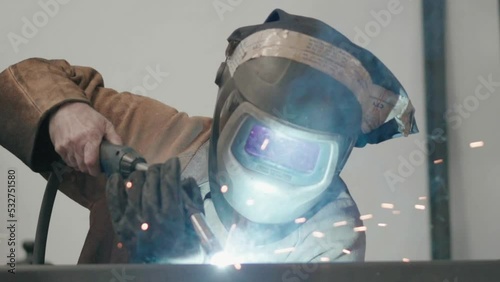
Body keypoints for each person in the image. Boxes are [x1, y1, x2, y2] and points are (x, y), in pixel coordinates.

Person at [0, 9, 417, 264]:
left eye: (302, 156)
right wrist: (63, 110)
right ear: (230, 112)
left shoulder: (332, 236)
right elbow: (14, 89)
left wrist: (172, 264)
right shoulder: (161, 143)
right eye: (265, 143)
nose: (277, 168)